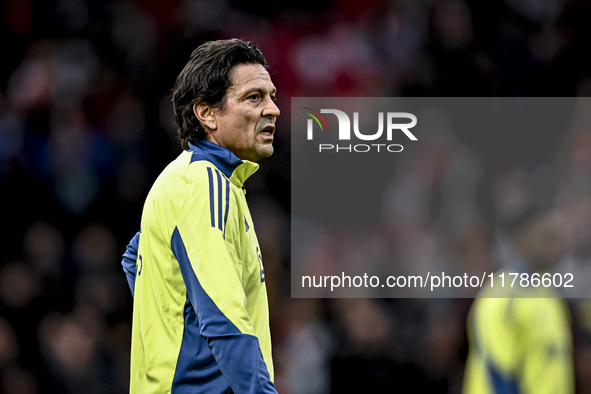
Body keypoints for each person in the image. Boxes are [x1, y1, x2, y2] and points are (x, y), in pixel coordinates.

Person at [121, 39, 280, 394]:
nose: (273, 109)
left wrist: (175, 330)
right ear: (206, 113)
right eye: (254, 97)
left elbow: (138, 260)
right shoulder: (204, 185)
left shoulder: (198, 180)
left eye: (271, 96)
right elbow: (226, 322)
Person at [463, 196, 575, 394]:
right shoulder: (502, 296)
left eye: (558, 238)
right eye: (547, 237)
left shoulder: (550, 295)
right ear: (521, 239)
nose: (557, 246)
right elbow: (497, 370)